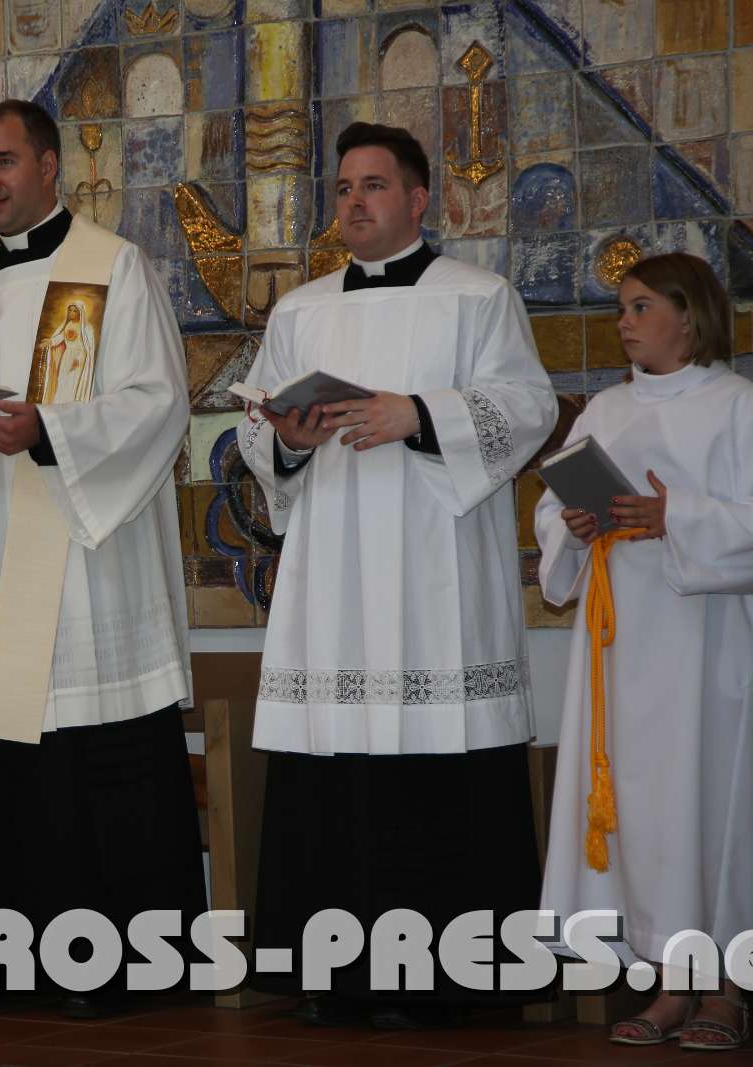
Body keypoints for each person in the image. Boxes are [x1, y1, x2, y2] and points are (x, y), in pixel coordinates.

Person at [236, 121, 558, 1028]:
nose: (354, 202)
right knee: (333, 767)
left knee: (434, 772)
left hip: (433, 572)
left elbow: (527, 406)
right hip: (332, 574)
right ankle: (336, 974)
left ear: (420, 200)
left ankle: (451, 980)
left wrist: (414, 413)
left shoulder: (477, 297)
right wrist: (287, 440)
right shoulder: (300, 312)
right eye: (343, 188)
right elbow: (257, 426)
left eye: (373, 185)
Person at [0, 98, 203, 1018]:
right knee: (1, 753)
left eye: (4, 161)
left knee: (86, 749)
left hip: (84, 561)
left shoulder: (113, 267)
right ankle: (4, 960)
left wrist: (51, 431)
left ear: (48, 165)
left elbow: (159, 402)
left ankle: (113, 965)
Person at [534, 253, 753, 1051]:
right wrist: (575, 525)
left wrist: (674, 516)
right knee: (637, 810)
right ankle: (668, 984)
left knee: (703, 800)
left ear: (691, 316)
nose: (625, 321)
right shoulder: (606, 410)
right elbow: (553, 508)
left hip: (699, 639)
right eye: (622, 307)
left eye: (642, 306)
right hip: (617, 641)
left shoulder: (739, 406)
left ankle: (725, 988)